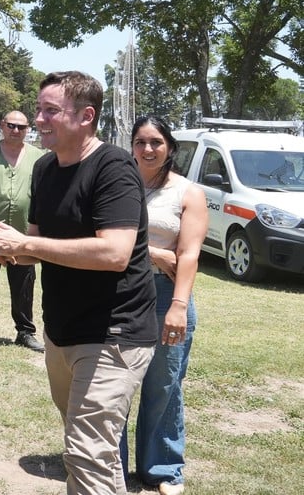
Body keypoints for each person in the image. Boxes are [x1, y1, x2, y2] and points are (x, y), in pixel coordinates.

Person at [0, 71, 156, 495]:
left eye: (50, 111)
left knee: (86, 451)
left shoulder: (114, 166)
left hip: (114, 334)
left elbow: (115, 253)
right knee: (91, 450)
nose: (38, 119)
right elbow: (37, 245)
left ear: (87, 116)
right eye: (38, 109)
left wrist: (27, 242)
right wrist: (4, 248)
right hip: (61, 331)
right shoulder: (45, 169)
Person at [121, 115, 207, 495]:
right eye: (140, 142)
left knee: (164, 387)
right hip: (120, 295)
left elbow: (187, 256)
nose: (148, 149)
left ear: (170, 147)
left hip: (165, 298)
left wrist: (178, 305)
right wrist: (155, 252)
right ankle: (109, 464)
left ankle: (163, 467)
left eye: (156, 142)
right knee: (114, 384)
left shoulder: (188, 193)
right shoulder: (120, 184)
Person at [0, 110, 45, 351]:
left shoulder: (38, 156)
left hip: (24, 232)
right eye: (11, 125)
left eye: (21, 127)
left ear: (28, 129)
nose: (16, 130)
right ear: (2, 125)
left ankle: (25, 331)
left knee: (24, 283)